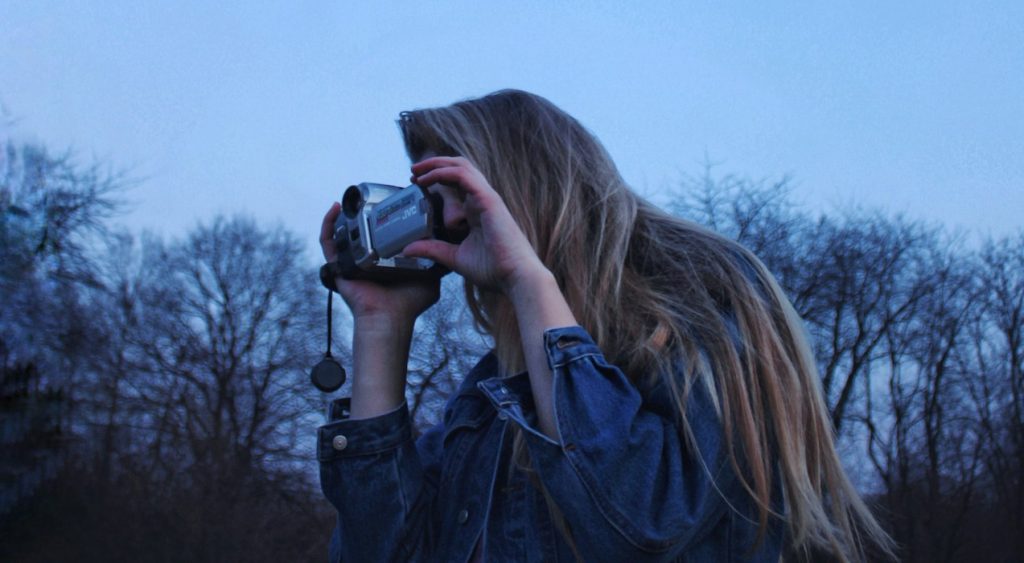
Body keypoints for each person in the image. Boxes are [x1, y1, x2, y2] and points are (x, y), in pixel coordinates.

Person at [317, 89, 893, 562]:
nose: (450, 220)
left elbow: (641, 529)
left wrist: (529, 280)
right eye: (432, 203)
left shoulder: (703, 310)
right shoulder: (489, 401)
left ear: (522, 185)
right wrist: (379, 327)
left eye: (460, 191)